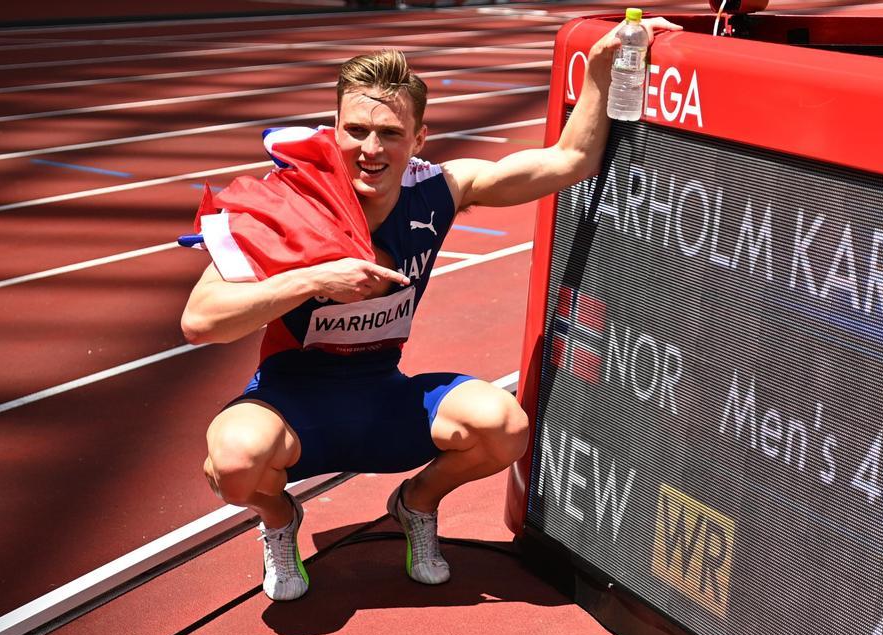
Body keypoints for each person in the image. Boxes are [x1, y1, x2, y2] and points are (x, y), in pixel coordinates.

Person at [180, 17, 682, 601]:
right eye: (356, 130)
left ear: (418, 139)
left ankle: (415, 504)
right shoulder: (288, 205)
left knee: (504, 428)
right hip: (293, 406)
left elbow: (571, 160)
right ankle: (279, 520)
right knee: (235, 462)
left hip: (382, 397)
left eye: (390, 133)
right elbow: (200, 320)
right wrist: (314, 279)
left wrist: (599, 62)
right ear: (333, 129)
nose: (370, 150)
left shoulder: (440, 190)